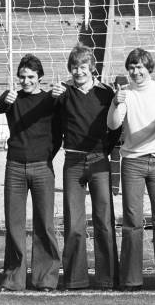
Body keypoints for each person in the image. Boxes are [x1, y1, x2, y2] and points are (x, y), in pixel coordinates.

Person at [107, 48, 155, 291]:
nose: (136, 71)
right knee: (132, 221)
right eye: (132, 67)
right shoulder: (124, 93)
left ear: (149, 68)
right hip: (132, 163)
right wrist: (116, 104)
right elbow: (113, 124)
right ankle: (131, 279)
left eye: (140, 67)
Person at [51, 45, 119, 290]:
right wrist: (53, 97)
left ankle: (107, 278)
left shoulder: (106, 93)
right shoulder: (63, 93)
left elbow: (115, 128)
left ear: (92, 68)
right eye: (74, 67)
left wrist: (105, 150)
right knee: (74, 222)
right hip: (73, 162)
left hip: (99, 160)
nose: (78, 71)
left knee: (104, 220)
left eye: (82, 66)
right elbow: (53, 124)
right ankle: (75, 279)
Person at [0, 54, 62, 292]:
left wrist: (45, 156)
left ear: (40, 78)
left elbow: (59, 133)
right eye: (22, 77)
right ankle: (14, 278)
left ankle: (45, 279)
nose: (26, 81)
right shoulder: (12, 98)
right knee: (14, 225)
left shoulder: (50, 99)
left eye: (31, 77)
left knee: (44, 224)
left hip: (42, 166)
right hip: (14, 166)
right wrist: (5, 98)